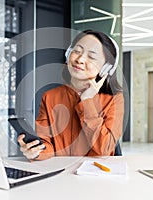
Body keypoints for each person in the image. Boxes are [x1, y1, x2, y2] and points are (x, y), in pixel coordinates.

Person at [17, 30, 124, 160]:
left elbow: (104, 149)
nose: (80, 59)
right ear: (68, 54)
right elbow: (47, 145)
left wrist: (87, 102)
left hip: (95, 176)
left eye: (92, 57)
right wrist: (36, 151)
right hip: (60, 174)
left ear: (106, 68)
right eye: (77, 51)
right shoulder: (50, 96)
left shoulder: (114, 99)